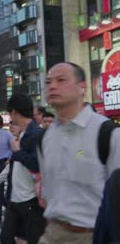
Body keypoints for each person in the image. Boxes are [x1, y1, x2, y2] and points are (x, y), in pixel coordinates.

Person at [37, 62, 120, 244]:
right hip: (51, 233)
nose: (52, 86)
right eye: (48, 81)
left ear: (82, 87)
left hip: (92, 236)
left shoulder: (106, 133)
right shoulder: (46, 137)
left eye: (61, 80)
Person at [0, 94, 46, 244]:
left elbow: (38, 166)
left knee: (29, 239)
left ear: (15, 112)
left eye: (10, 113)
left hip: (30, 201)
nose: (10, 118)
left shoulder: (36, 134)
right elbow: (12, 169)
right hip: (15, 199)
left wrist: (17, 152)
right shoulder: (21, 134)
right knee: (7, 238)